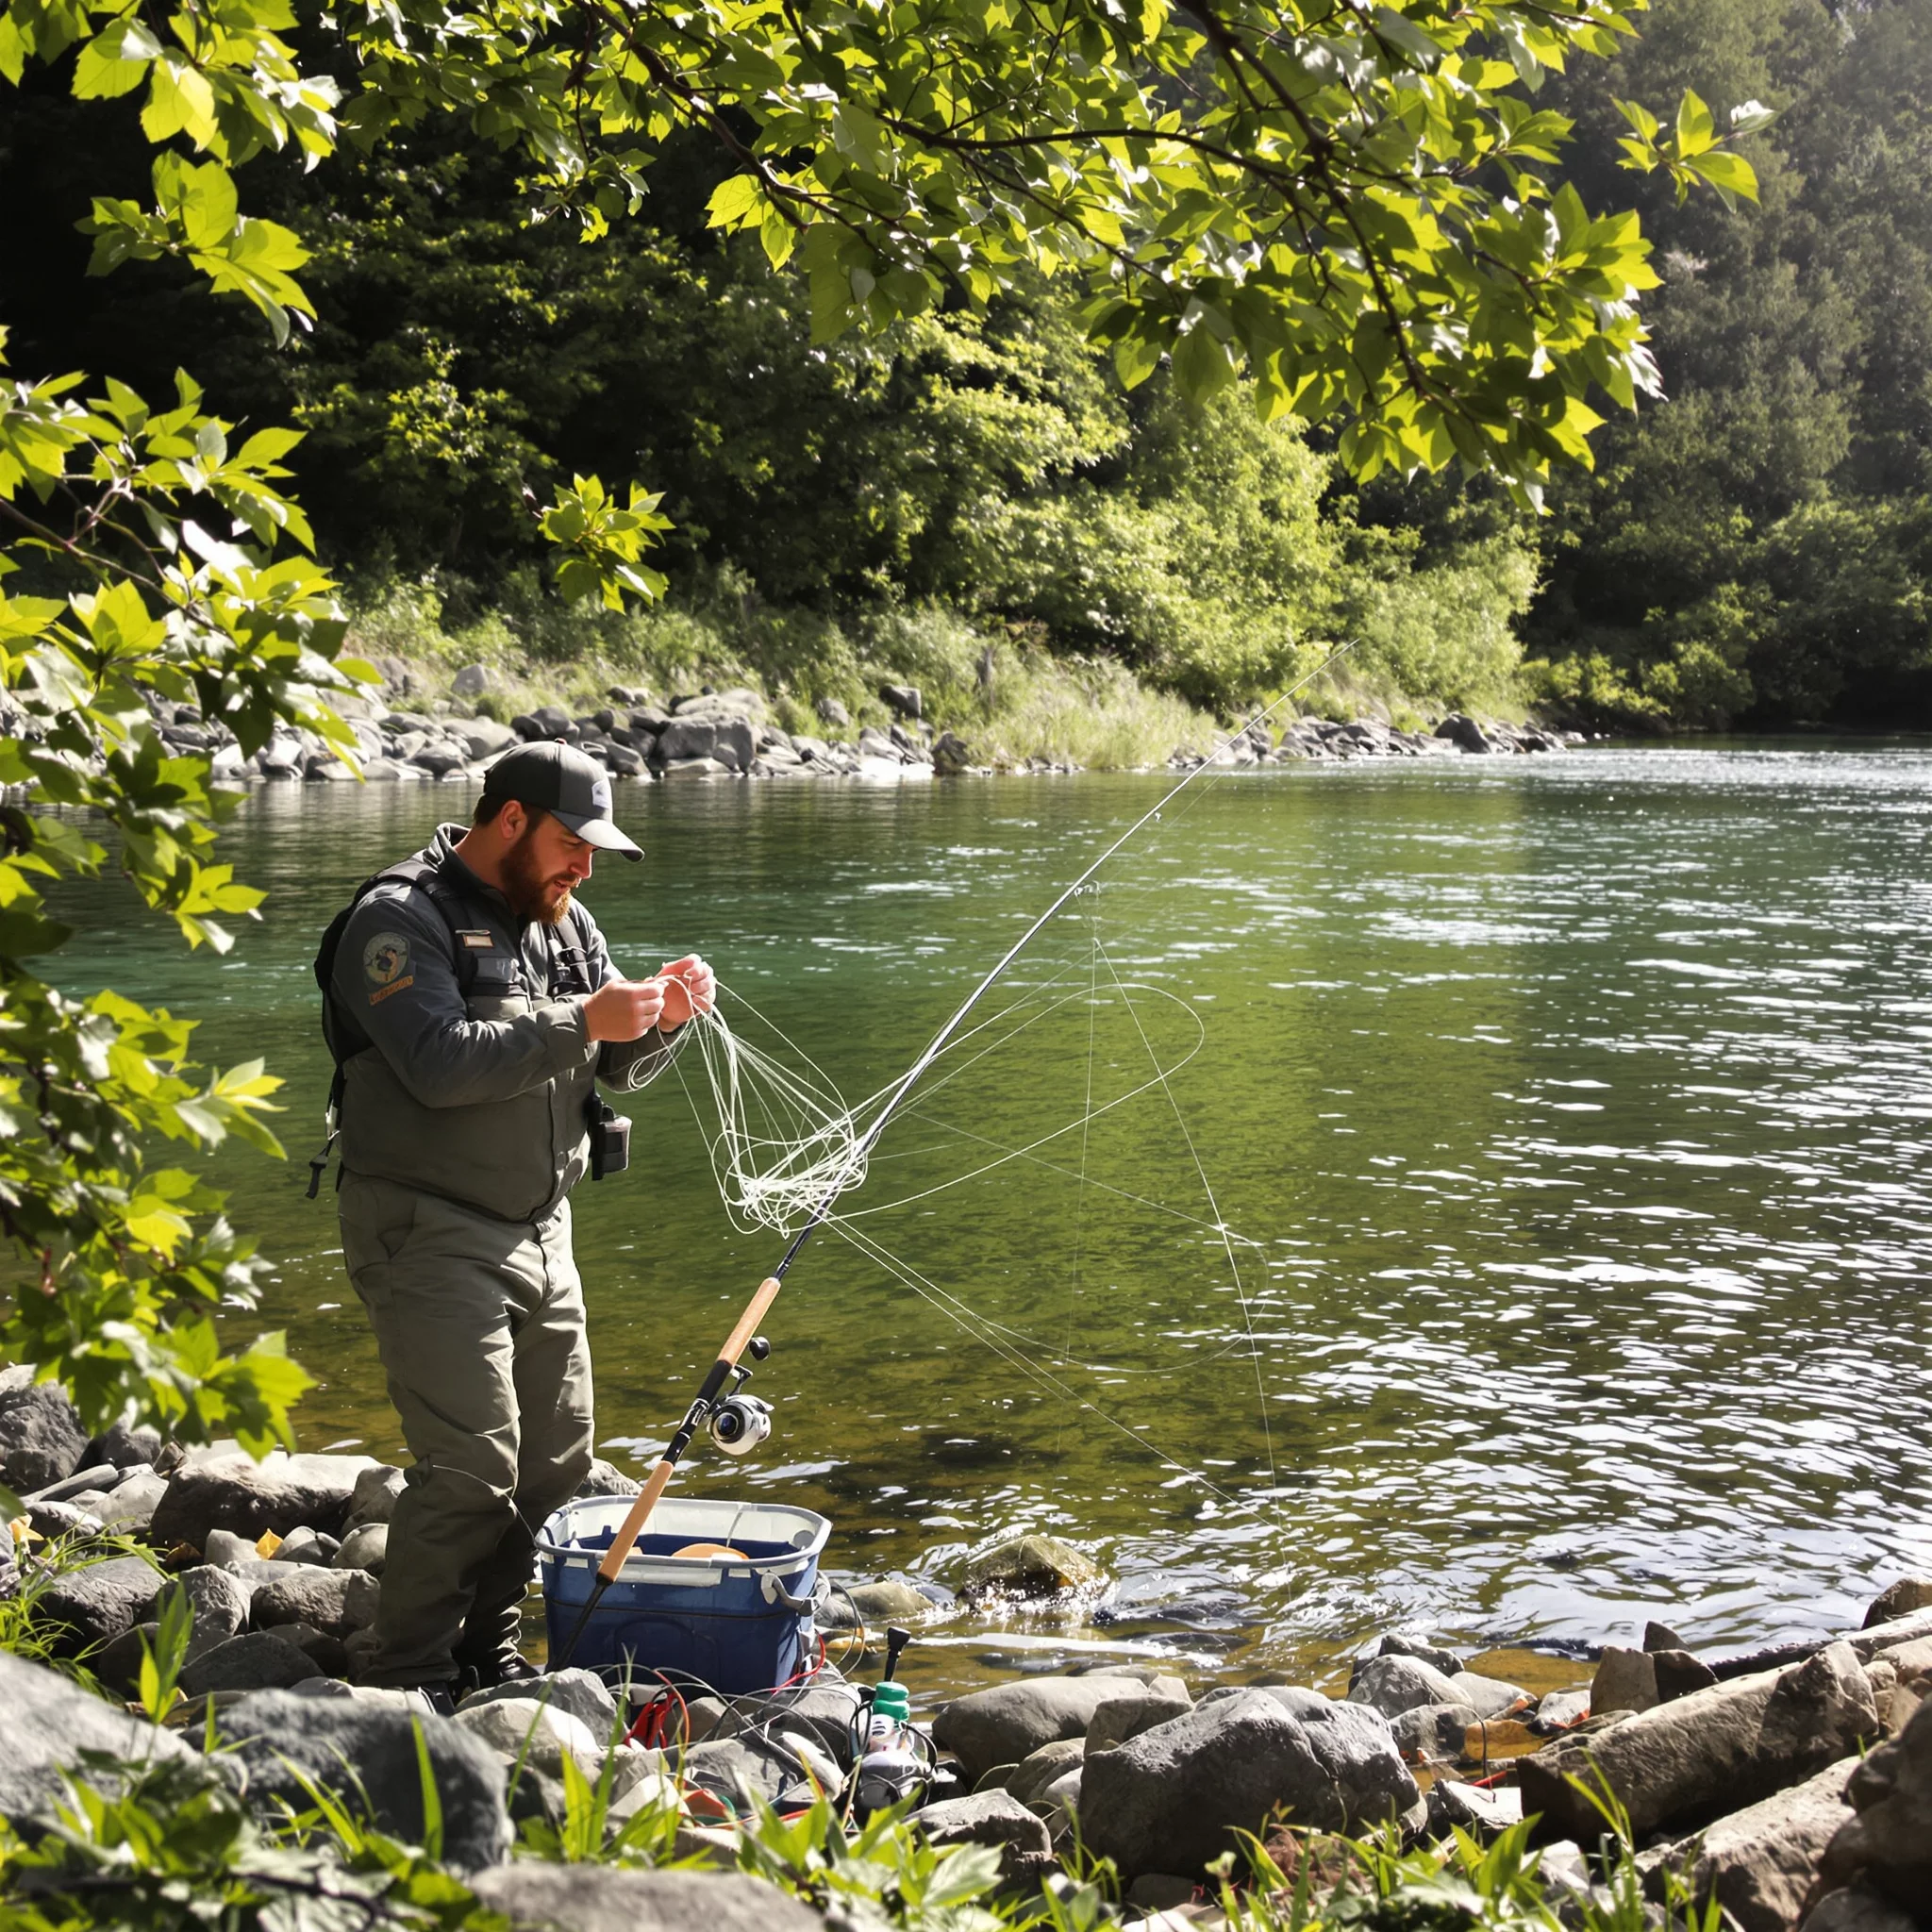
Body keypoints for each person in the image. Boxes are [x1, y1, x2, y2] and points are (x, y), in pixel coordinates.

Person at [325, 741, 714, 1709]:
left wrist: (663, 1021)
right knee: (471, 1469)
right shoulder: (395, 919)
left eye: (594, 852)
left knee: (554, 1468)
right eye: (572, 844)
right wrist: (586, 1019)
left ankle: (484, 1652)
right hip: (425, 1225)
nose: (585, 867)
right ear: (509, 821)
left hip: (545, 1229)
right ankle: (407, 1674)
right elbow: (438, 1064)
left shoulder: (565, 920)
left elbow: (614, 1063)